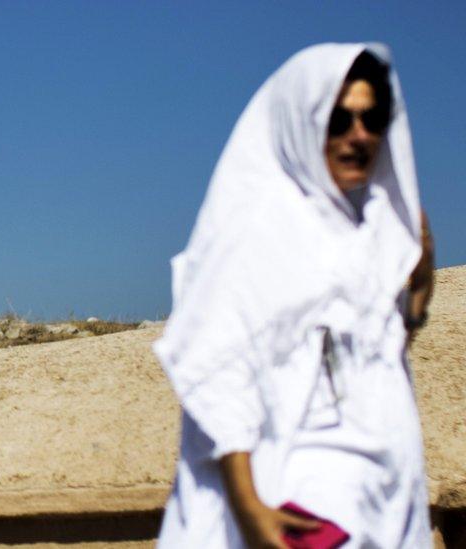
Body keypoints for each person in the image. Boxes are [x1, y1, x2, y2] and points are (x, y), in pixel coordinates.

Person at [154, 43, 435, 548]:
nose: (359, 137)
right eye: (339, 120)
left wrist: (419, 273)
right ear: (302, 124)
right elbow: (217, 368)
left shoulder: (367, 234)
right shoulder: (259, 231)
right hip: (302, 506)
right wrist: (249, 507)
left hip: (381, 500)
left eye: (373, 118)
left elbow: (378, 357)